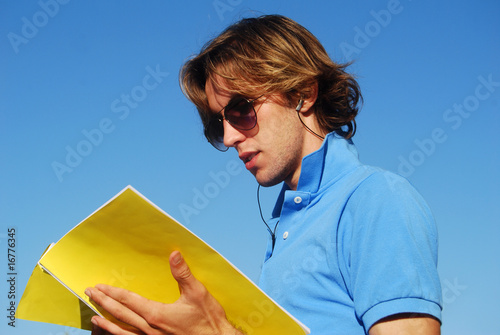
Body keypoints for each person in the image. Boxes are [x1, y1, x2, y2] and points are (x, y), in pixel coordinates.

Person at [85, 15, 442, 334]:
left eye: (240, 109)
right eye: (218, 122)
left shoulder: (375, 199)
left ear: (303, 93)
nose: (228, 136)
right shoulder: (286, 231)